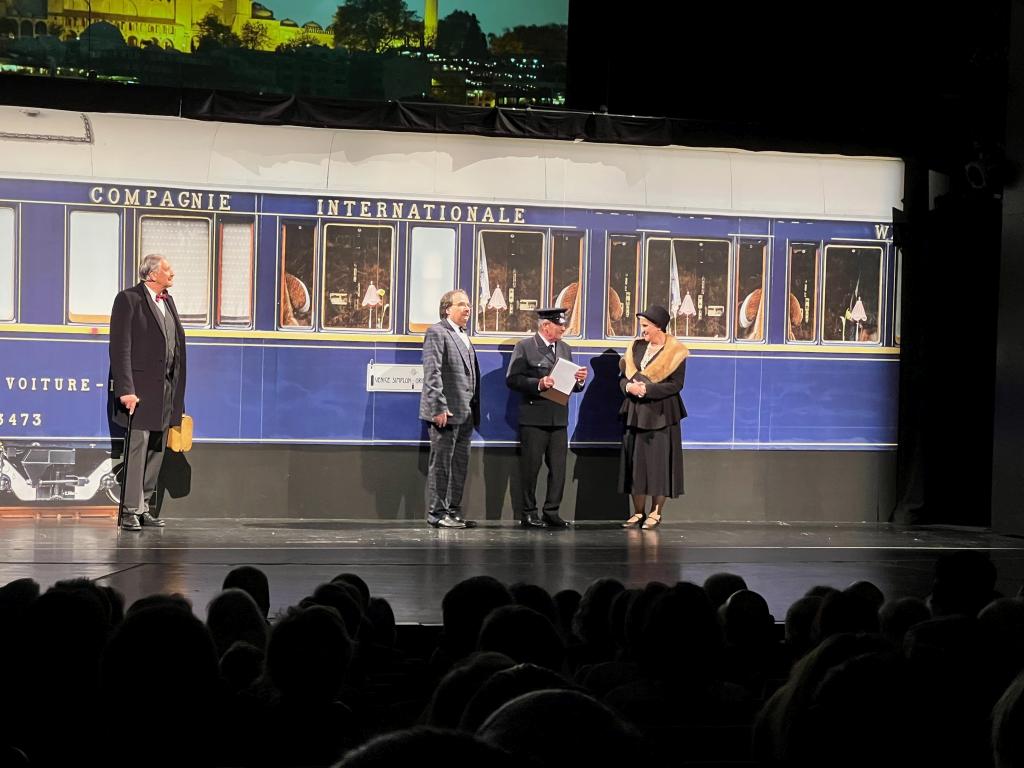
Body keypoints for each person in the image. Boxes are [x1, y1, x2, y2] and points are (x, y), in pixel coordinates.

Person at [109, 254, 187, 531]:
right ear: (152, 274)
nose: (172, 273)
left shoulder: (168, 301)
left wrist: (176, 392)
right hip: (139, 391)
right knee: (138, 448)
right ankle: (130, 510)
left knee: (157, 448)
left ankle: (144, 506)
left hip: (165, 389)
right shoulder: (128, 299)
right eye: (167, 269)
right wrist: (126, 389)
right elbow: (120, 347)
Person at [506, 307, 587, 528]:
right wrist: (539, 384)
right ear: (545, 326)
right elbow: (513, 379)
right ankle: (528, 513)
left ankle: (552, 511)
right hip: (534, 418)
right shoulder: (525, 347)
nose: (563, 328)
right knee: (531, 469)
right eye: (559, 325)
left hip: (558, 418)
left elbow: (572, 386)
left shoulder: (565, 348)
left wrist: (579, 380)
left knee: (558, 469)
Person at [618, 305, 687, 529]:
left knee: (659, 465)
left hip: (661, 414)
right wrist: (629, 387)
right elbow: (623, 377)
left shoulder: (675, 352)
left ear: (659, 326)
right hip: (635, 412)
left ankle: (656, 512)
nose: (643, 330)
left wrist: (647, 390)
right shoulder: (636, 347)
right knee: (636, 463)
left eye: (646, 326)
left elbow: (676, 385)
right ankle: (638, 512)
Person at [419, 289, 479, 529]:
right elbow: (432, 372)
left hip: (466, 413)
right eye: (461, 304)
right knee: (441, 465)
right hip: (446, 413)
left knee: (459, 465)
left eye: (468, 304)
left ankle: (453, 511)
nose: (467, 309)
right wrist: (438, 407)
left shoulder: (463, 335)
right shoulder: (437, 332)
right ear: (447, 309)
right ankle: (437, 513)